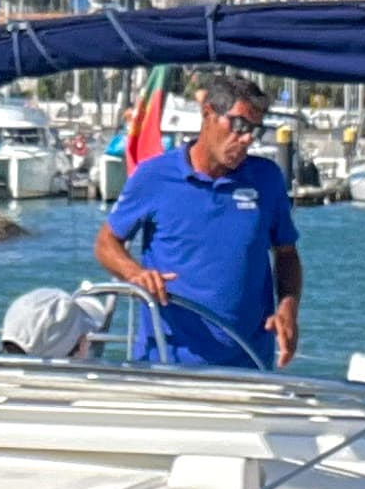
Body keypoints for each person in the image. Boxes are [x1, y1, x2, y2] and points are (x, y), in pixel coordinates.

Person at [94, 69, 302, 371]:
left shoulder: (266, 179)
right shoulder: (154, 176)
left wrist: (288, 307)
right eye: (239, 125)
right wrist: (135, 273)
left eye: (255, 131)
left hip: (250, 364)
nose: (246, 140)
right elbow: (106, 242)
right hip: (167, 361)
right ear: (207, 113)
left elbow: (286, 253)